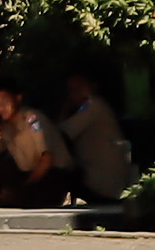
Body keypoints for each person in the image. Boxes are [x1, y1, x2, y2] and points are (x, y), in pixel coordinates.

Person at [56, 68, 138, 205]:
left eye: (79, 87)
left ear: (92, 87)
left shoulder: (93, 106)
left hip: (102, 183)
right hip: (97, 177)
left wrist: (65, 110)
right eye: (71, 90)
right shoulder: (89, 107)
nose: (74, 93)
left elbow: (63, 132)